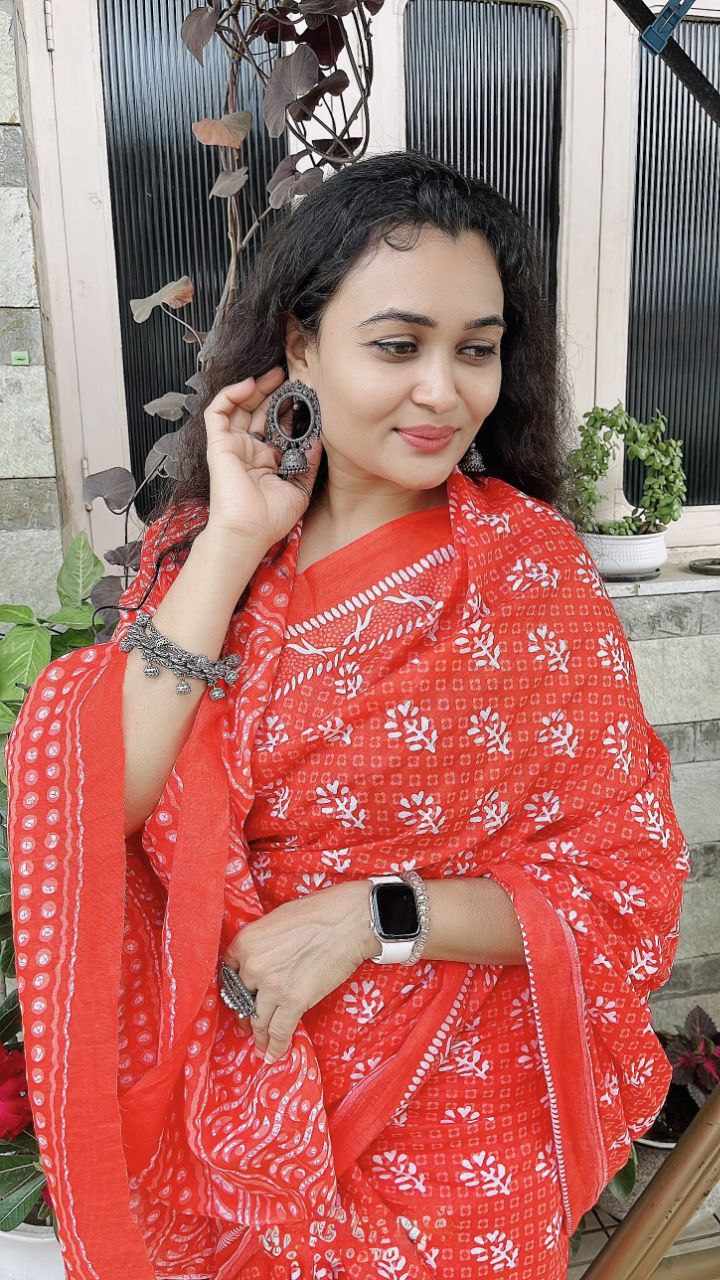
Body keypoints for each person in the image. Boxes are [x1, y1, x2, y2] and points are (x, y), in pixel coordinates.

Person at [5, 150, 689, 1280]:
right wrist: (234, 538)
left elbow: (624, 886)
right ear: (301, 343)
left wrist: (375, 916)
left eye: (477, 349)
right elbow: (101, 803)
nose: (444, 391)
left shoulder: (529, 575)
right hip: (225, 1116)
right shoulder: (207, 555)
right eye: (398, 346)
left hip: (456, 1138)